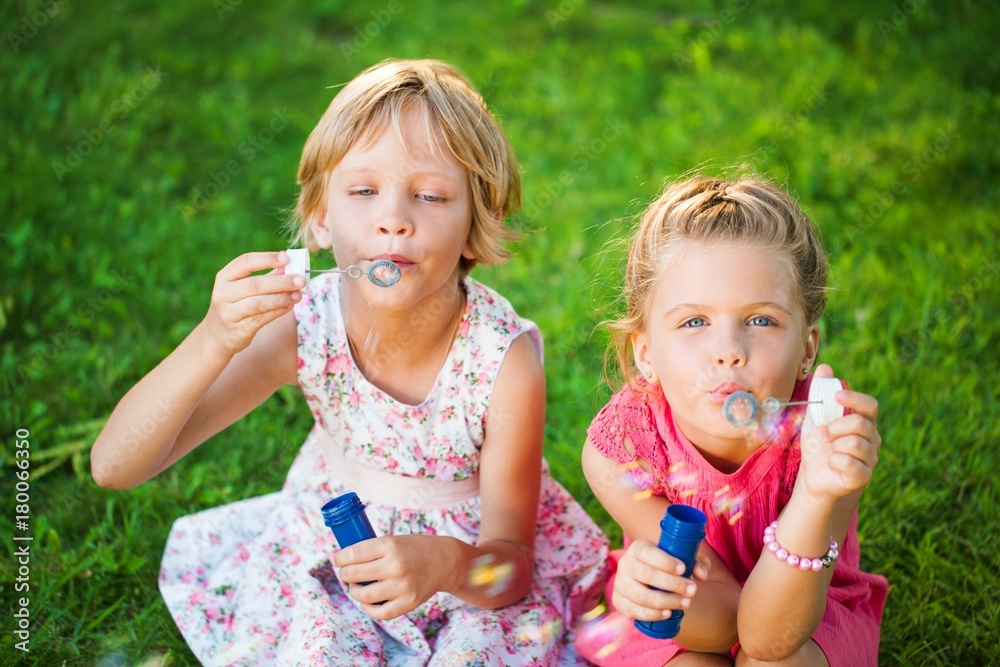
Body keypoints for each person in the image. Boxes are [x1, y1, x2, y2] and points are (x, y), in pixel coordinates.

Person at [92, 58, 607, 666]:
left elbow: (511, 571)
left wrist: (442, 561)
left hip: (469, 580)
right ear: (319, 218)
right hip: (331, 566)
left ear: (475, 226)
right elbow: (115, 465)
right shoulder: (304, 325)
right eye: (363, 191)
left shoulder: (502, 363)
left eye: (432, 195)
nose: (394, 218)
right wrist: (212, 340)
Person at [574, 173, 887, 666]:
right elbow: (720, 624)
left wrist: (816, 491)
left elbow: (768, 639)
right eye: (694, 322)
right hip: (688, 613)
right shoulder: (622, 451)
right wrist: (653, 590)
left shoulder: (828, 435)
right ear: (646, 353)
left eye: (761, 320)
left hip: (806, 610)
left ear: (807, 348)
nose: (728, 352)